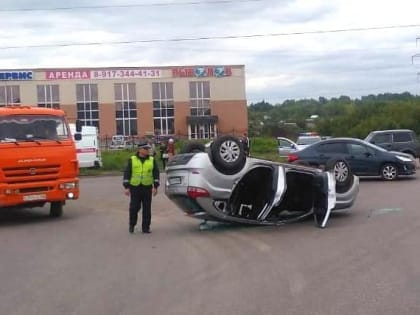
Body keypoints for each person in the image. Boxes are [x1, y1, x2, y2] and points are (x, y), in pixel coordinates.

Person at [123, 140, 160, 234]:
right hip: (135, 187)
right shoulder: (132, 159)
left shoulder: (151, 160)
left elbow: (156, 173)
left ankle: (146, 227)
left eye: (148, 148)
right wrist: (126, 187)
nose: (148, 150)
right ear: (140, 149)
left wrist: (155, 187)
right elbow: (127, 173)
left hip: (147, 187)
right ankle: (132, 224)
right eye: (145, 148)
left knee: (147, 208)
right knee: (134, 207)